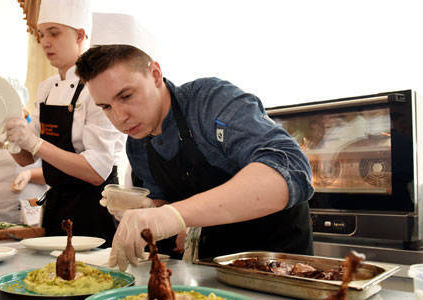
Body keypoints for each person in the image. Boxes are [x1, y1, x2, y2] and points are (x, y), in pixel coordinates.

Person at [75, 13, 314, 270]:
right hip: (216, 272)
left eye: (126, 96)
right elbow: (167, 206)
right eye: (106, 107)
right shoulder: (138, 144)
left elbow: (290, 169)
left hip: (279, 264)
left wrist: (173, 215)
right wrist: (148, 210)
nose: (120, 117)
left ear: (155, 74)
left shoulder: (210, 103)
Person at [4, 0, 125, 244]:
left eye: (54, 33)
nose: (45, 42)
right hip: (55, 208)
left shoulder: (97, 87)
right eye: (41, 34)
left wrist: (35, 143)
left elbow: (96, 171)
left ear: (80, 35)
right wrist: (11, 139)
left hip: (93, 209)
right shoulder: (46, 88)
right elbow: (26, 159)